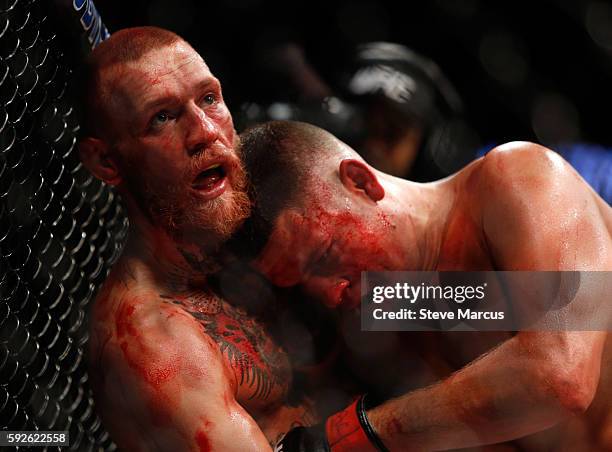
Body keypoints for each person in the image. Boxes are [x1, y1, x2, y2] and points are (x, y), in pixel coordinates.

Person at [239, 120, 612, 451]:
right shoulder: (392, 311)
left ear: (360, 182)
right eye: (305, 285)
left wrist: (354, 434)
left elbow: (561, 375)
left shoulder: (516, 178)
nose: (330, 293)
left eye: (324, 255)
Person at [77, 28, 317, 451]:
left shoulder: (269, 214)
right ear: (107, 162)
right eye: (162, 118)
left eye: (209, 99)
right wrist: (384, 425)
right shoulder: (151, 342)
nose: (205, 131)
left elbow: (430, 304)